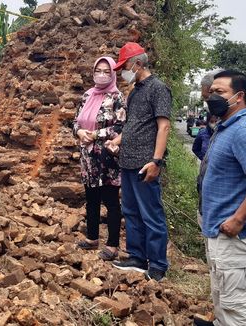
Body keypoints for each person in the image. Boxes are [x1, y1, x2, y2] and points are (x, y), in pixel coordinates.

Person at [197, 70, 246, 326]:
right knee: (223, 297)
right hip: (220, 231)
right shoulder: (225, 127)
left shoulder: (243, 129)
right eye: (211, 93)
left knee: (237, 309)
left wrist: (239, 219)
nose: (212, 97)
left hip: (234, 234)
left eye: (220, 92)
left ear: (239, 96)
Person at [107, 42, 172, 281]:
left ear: (138, 63)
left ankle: (157, 264)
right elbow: (133, 125)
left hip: (145, 163)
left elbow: (163, 126)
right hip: (128, 162)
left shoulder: (158, 88)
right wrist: (117, 141)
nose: (123, 72)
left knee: (151, 214)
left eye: (125, 66)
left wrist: (156, 161)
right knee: (131, 211)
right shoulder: (134, 92)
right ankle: (137, 256)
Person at [73, 56, 126, 261]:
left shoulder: (117, 97)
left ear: (113, 73)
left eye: (106, 71)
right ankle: (92, 237)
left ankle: (113, 245)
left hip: (106, 156)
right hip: (87, 156)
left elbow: (121, 127)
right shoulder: (87, 95)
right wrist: (79, 133)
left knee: (111, 200)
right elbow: (75, 122)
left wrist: (96, 135)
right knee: (91, 198)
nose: (102, 74)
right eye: (98, 70)